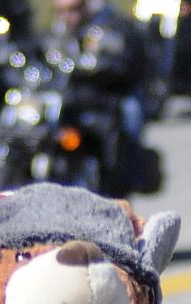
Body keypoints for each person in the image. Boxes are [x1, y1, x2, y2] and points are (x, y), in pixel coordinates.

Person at [45, 0, 154, 194]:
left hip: (110, 94)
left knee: (130, 113)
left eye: (73, 10)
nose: (68, 16)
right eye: (61, 12)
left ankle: (129, 174)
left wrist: (105, 64)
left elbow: (126, 58)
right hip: (73, 99)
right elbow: (40, 53)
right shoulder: (56, 32)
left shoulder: (109, 26)